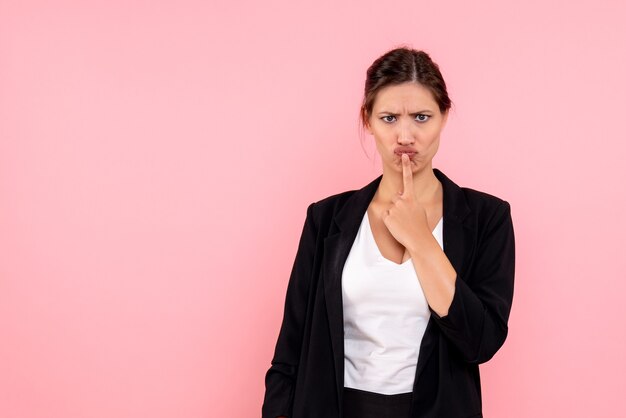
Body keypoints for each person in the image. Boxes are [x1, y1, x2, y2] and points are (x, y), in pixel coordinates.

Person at [261, 46, 516, 418]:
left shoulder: (486, 218)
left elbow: (481, 342)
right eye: (389, 118)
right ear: (367, 120)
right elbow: (291, 348)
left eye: (421, 117)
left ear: (445, 116)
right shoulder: (326, 218)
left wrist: (420, 238)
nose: (405, 135)